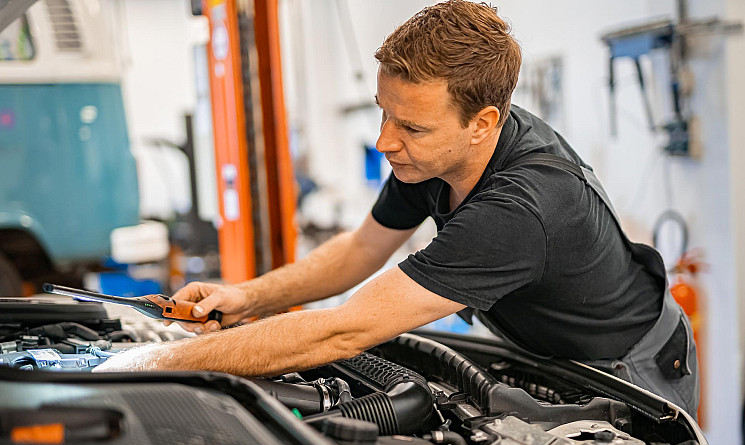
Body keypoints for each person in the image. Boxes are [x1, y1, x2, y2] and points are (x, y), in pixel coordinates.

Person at [95, 0, 699, 417]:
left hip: (627, 369)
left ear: (483, 122)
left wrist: (147, 363)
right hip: (542, 349)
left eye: (408, 124)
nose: (385, 140)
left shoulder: (522, 209)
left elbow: (342, 329)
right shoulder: (434, 151)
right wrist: (248, 297)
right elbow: (362, 248)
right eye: (383, 111)